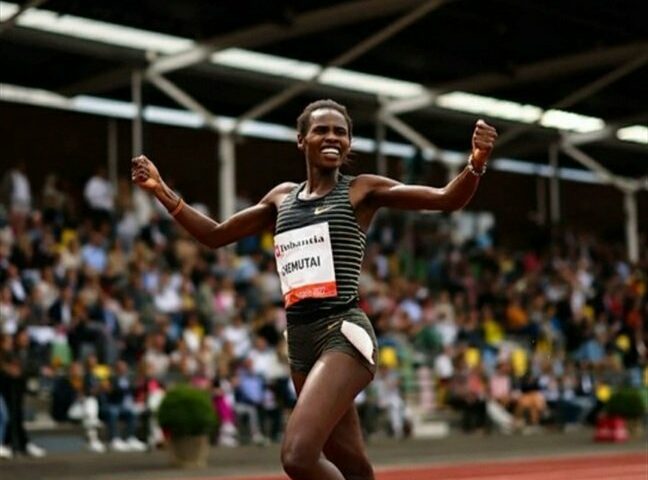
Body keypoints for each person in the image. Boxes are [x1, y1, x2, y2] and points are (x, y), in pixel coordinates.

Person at [132, 99, 497, 480]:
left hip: (343, 335)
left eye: (341, 132)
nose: (332, 138)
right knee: (352, 465)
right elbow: (215, 235)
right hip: (300, 345)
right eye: (322, 130)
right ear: (301, 139)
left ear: (350, 144)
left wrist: (476, 161)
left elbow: (445, 199)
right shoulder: (281, 199)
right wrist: (161, 191)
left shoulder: (361, 191)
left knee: (298, 457)